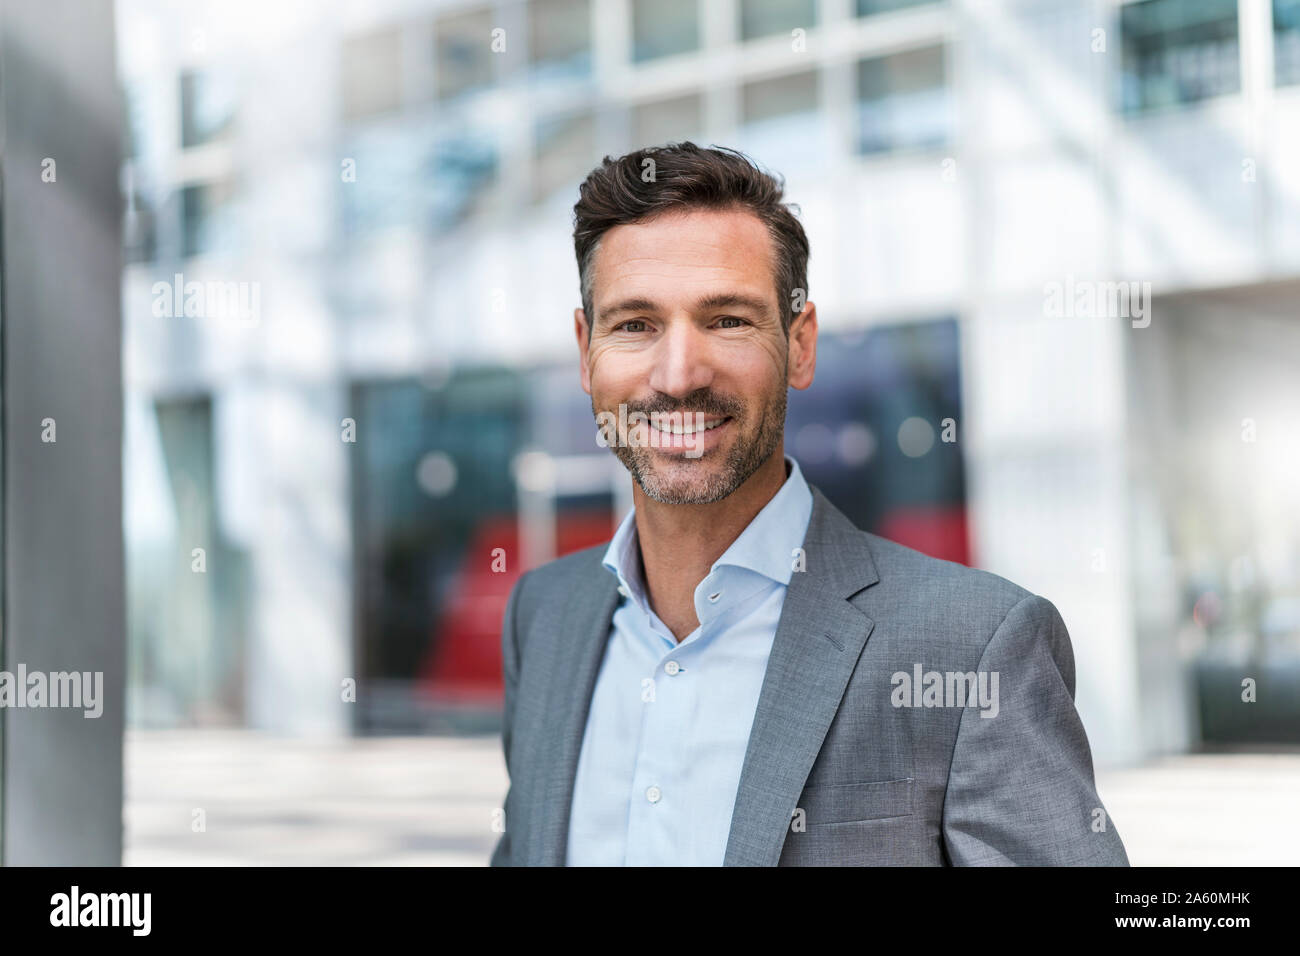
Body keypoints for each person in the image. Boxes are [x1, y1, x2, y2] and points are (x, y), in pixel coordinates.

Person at [489, 142, 1128, 866]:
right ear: (586, 352)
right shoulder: (542, 617)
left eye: (727, 319)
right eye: (634, 324)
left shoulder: (974, 644)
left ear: (799, 344)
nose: (678, 374)